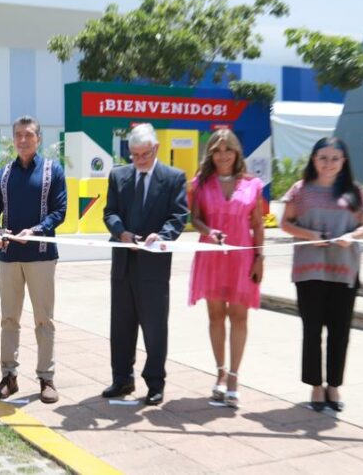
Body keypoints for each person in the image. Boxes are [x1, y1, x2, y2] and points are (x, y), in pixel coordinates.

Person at [280, 137, 363, 413]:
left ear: (344, 161)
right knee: (312, 330)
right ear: (313, 159)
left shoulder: (354, 191)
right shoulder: (300, 190)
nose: (328, 163)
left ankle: (334, 385)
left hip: (344, 270)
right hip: (310, 271)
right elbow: (285, 223)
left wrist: (352, 235)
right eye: (323, 157)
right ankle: (315, 386)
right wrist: (310, 235)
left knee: (340, 331)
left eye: (335, 158)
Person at [101, 123, 188, 405]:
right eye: (134, 155)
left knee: (154, 327)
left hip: (154, 266)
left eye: (145, 154)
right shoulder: (118, 175)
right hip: (124, 264)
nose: (139, 160)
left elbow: (179, 215)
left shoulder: (173, 177)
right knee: (122, 326)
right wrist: (120, 232)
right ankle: (122, 378)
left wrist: (162, 236)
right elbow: (110, 212)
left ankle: (155, 382)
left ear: (156, 149)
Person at [0, 116, 67, 404]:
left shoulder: (52, 171)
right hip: (8, 256)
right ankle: (9, 376)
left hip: (41, 256)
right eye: (18, 135)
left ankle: (46, 378)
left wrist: (36, 231)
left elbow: (60, 211)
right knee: (9, 319)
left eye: (28, 135)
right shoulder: (3, 174)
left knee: (44, 320)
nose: (22, 140)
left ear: (38, 138)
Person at [187, 129, 265, 408]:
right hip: (212, 254)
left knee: (240, 317)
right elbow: (194, 219)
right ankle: (219, 374)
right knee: (216, 315)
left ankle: (234, 377)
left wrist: (259, 258)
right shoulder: (201, 183)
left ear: (237, 152)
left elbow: (257, 224)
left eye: (228, 149)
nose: (223, 155)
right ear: (210, 153)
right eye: (217, 150)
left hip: (242, 256)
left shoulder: (252, 184)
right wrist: (209, 231)